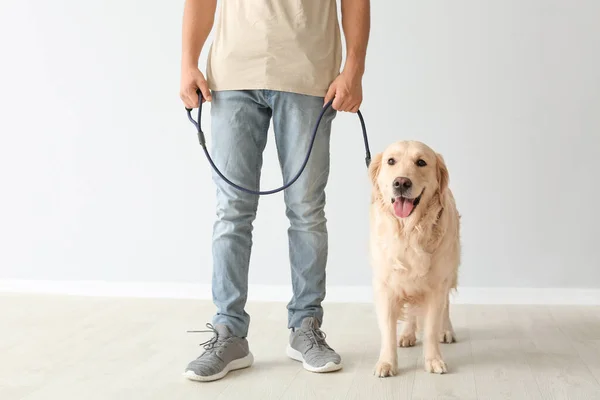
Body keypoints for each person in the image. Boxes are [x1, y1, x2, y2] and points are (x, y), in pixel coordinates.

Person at [180, 0, 370, 382]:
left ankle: (306, 327)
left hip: (308, 73)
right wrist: (187, 63)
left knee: (306, 210)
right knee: (232, 210)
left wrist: (354, 70)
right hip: (233, 75)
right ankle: (229, 332)